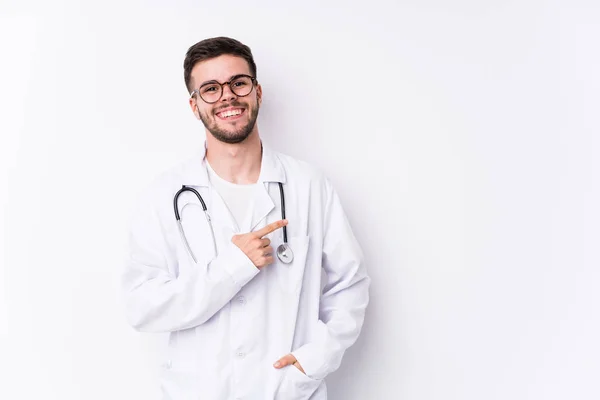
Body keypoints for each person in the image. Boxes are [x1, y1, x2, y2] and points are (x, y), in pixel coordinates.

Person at [121, 36, 370, 400]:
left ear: (257, 92)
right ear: (194, 106)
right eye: (210, 88)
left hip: (285, 391)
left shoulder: (307, 186)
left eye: (238, 83)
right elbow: (141, 307)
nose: (227, 96)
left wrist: (312, 361)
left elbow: (349, 286)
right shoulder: (163, 196)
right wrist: (233, 266)